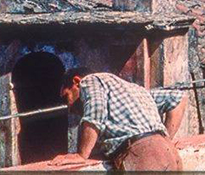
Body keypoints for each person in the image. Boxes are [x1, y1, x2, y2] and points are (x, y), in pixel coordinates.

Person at [51, 67, 186, 171]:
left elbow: (96, 108)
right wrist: (165, 140)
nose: (69, 107)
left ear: (76, 82)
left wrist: (81, 155)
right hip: (168, 154)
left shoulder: (91, 80)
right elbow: (177, 98)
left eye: (66, 97)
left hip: (145, 157)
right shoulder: (133, 89)